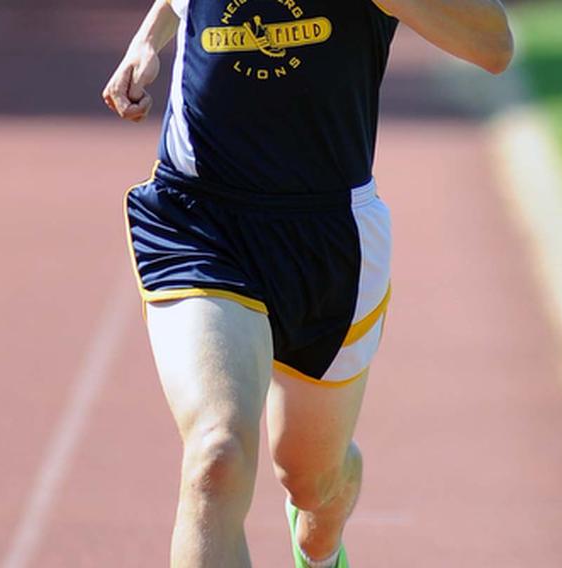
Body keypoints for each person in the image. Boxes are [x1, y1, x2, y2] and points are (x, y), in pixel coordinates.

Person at [102, 1, 512, 566]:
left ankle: (325, 534)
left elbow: (494, 46)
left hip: (332, 236)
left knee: (311, 482)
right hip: (199, 218)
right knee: (216, 457)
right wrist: (150, 38)